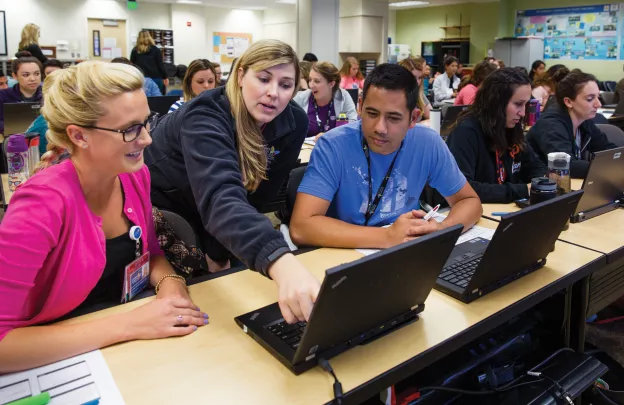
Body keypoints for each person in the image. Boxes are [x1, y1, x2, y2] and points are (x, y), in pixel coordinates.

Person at [0, 61, 207, 374]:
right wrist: (130, 324)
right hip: (58, 358)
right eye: (130, 130)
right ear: (79, 136)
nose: (147, 139)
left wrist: (171, 284)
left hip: (123, 345)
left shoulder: (133, 176)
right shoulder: (40, 206)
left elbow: (150, 252)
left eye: (146, 122)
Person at [144, 39, 319, 324]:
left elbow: (262, 193)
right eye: (263, 79)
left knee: (240, 286)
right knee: (199, 302)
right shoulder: (205, 115)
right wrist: (282, 262)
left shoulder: (292, 122)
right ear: (240, 76)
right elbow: (219, 196)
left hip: (220, 210)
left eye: (286, 85)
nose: (273, 93)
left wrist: (222, 248)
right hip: (167, 206)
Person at [289, 63, 483, 249]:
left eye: (393, 118)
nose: (379, 128)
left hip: (404, 251)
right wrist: (387, 237)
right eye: (371, 113)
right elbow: (301, 227)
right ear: (360, 107)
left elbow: (469, 202)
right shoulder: (332, 146)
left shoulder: (428, 143)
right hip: (346, 252)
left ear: (413, 118)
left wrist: (442, 229)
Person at [527, 69, 624, 179]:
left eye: (598, 97)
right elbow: (567, 165)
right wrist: (621, 169)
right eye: (590, 99)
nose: (598, 104)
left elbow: (607, 149)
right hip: (538, 190)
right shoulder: (551, 125)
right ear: (568, 102)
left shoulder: (584, 120)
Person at [447, 68, 547, 204]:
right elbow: (464, 188)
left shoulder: (511, 126)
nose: (523, 113)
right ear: (496, 102)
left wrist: (540, 185)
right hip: (478, 210)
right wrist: (522, 190)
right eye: (518, 104)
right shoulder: (467, 131)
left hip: (505, 207)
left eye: (526, 104)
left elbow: (535, 165)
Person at [293, 61, 358, 139]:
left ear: (331, 84)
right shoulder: (300, 98)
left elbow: (353, 125)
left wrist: (330, 136)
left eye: (317, 81)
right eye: (310, 80)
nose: (311, 85)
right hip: (306, 149)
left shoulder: (343, 97)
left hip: (334, 147)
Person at [0, 53, 43, 135]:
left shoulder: (48, 95)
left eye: (37, 74)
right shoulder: (3, 96)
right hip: (13, 139)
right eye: (26, 75)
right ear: (15, 76)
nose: (33, 79)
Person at [131, 30, 169, 95]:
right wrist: (165, 77)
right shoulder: (156, 50)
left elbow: (132, 66)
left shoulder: (135, 50)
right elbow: (160, 65)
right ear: (150, 37)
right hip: (156, 78)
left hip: (141, 79)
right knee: (158, 100)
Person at [398, 56, 431, 120]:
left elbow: (432, 116)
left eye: (419, 78)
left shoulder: (418, 94)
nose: (417, 82)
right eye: (413, 77)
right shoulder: (395, 96)